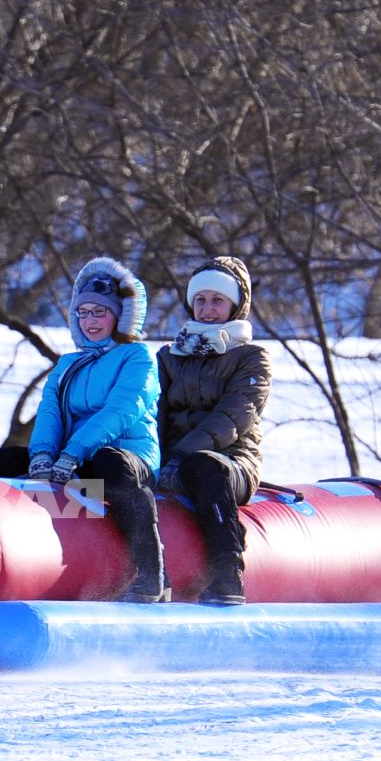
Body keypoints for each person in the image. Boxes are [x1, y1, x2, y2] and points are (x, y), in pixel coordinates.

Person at [26, 256, 168, 603]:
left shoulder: (138, 357)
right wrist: (43, 454)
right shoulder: (68, 364)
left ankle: (151, 575)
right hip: (70, 462)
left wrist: (74, 451)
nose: (90, 321)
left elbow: (122, 410)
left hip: (127, 456)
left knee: (111, 464)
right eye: (83, 312)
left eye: (99, 312)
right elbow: (49, 411)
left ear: (119, 316)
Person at [155, 256, 272, 605]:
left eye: (217, 301)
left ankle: (227, 575)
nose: (207, 309)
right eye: (200, 300)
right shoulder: (168, 356)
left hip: (230, 461)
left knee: (205, 466)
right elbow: (154, 414)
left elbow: (234, 417)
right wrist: (154, 459)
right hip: (170, 464)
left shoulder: (252, 357)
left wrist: (180, 457)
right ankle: (146, 575)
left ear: (235, 305)